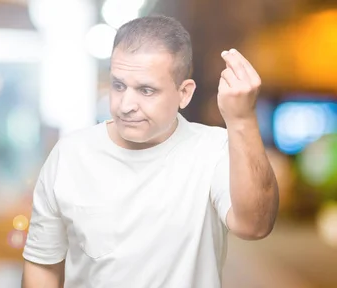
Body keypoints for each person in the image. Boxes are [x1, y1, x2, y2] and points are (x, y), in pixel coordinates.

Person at [21, 15, 279, 288]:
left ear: (184, 93)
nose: (126, 105)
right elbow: (43, 263)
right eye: (119, 85)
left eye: (146, 90)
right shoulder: (70, 155)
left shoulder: (214, 150)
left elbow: (255, 225)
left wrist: (242, 120)